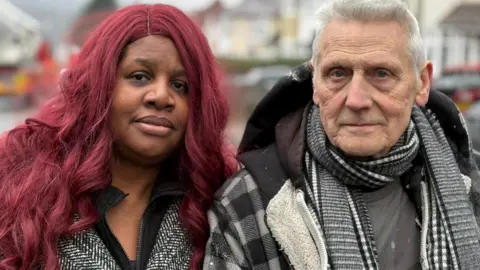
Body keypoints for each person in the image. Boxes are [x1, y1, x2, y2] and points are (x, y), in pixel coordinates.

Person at [204, 0, 480, 269]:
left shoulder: (473, 184)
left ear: (422, 84)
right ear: (314, 83)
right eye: (338, 73)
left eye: (381, 74)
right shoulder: (249, 204)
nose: (356, 100)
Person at [0, 4, 236, 270]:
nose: (160, 96)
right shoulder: (18, 194)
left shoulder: (224, 204)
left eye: (180, 85)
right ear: (99, 87)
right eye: (139, 76)